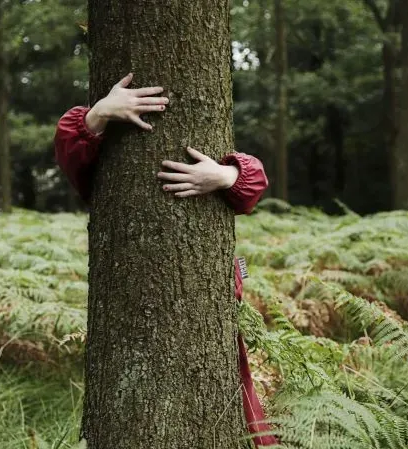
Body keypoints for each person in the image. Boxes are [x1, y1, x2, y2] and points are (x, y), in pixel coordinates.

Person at [53, 73, 278, 447]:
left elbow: (253, 183)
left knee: (245, 411)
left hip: (216, 312)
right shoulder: (101, 159)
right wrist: (99, 114)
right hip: (135, 310)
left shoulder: (220, 178)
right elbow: (69, 149)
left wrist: (224, 175)